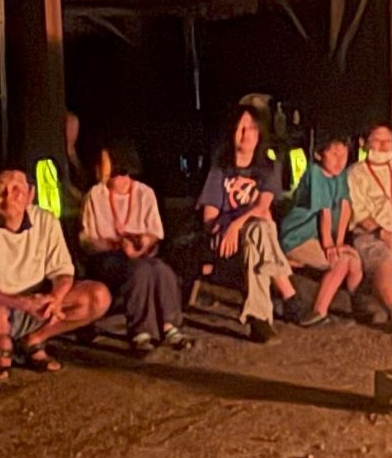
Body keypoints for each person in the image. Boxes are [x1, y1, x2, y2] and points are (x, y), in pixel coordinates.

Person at [0, 167, 112, 378]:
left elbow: (63, 271)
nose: (9, 197)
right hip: (0, 304)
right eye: (2, 190)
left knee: (97, 296)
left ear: (30, 195)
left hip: (37, 303)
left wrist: (55, 298)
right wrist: (23, 303)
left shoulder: (45, 220)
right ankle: (1, 346)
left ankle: (35, 339)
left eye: (17, 189)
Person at [77, 139, 184, 353]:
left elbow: (154, 233)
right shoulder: (95, 195)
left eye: (103, 161)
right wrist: (114, 244)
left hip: (140, 254)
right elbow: (86, 239)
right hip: (106, 257)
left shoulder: (144, 193)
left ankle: (169, 325)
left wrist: (140, 246)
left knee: (161, 270)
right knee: (140, 270)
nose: (98, 167)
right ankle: (140, 331)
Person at [199, 105, 295, 342]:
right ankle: (288, 293)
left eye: (252, 127)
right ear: (232, 132)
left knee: (259, 231)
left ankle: (259, 319)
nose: (246, 133)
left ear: (259, 133)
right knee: (263, 228)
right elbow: (209, 218)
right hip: (225, 241)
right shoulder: (220, 170)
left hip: (249, 235)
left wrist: (236, 225)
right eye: (241, 127)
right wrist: (226, 229)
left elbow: (262, 208)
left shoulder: (268, 168)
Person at [277, 132, 365, 327]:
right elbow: (324, 213)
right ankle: (318, 311)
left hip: (315, 238)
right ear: (319, 154)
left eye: (343, 154)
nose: (340, 160)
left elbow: (345, 207)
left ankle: (357, 308)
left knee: (354, 261)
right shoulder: (315, 173)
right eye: (334, 153)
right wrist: (329, 245)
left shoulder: (339, 174)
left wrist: (340, 243)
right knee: (341, 261)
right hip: (298, 237)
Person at [344, 124, 392, 324]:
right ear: (364, 143)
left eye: (388, 141)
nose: (384, 146)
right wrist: (384, 234)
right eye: (377, 140)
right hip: (372, 234)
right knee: (383, 262)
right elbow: (360, 216)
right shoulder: (354, 174)